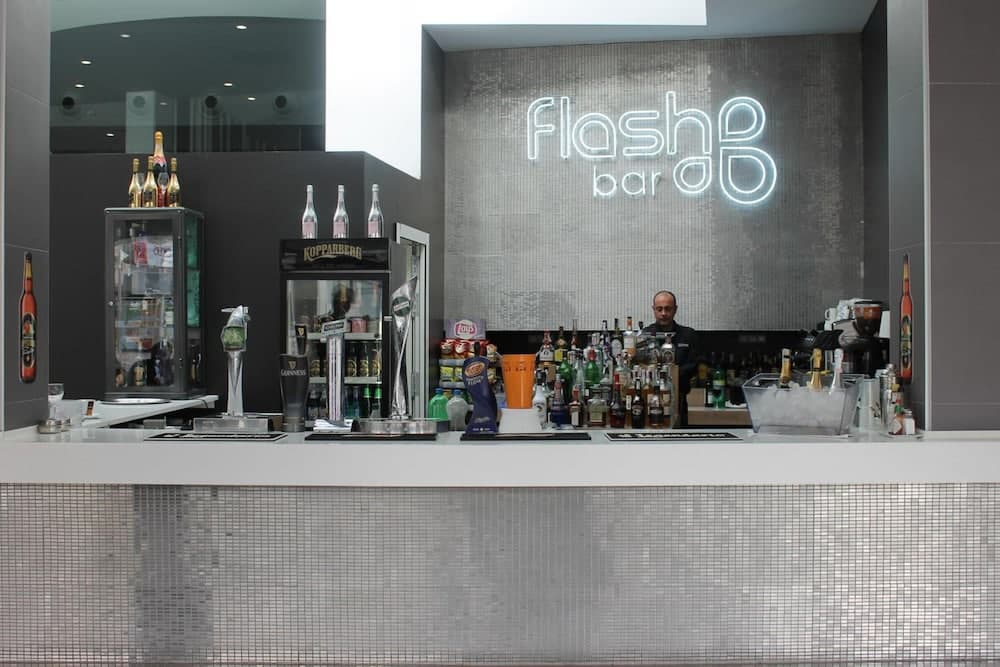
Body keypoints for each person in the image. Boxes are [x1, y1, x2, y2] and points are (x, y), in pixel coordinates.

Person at [640, 290, 698, 427]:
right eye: (659, 309)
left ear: (675, 309)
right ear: (653, 309)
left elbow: (694, 365)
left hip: (679, 400)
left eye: (668, 309)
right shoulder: (645, 335)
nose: (663, 313)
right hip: (650, 400)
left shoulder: (688, 335)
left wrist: (672, 373)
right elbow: (640, 365)